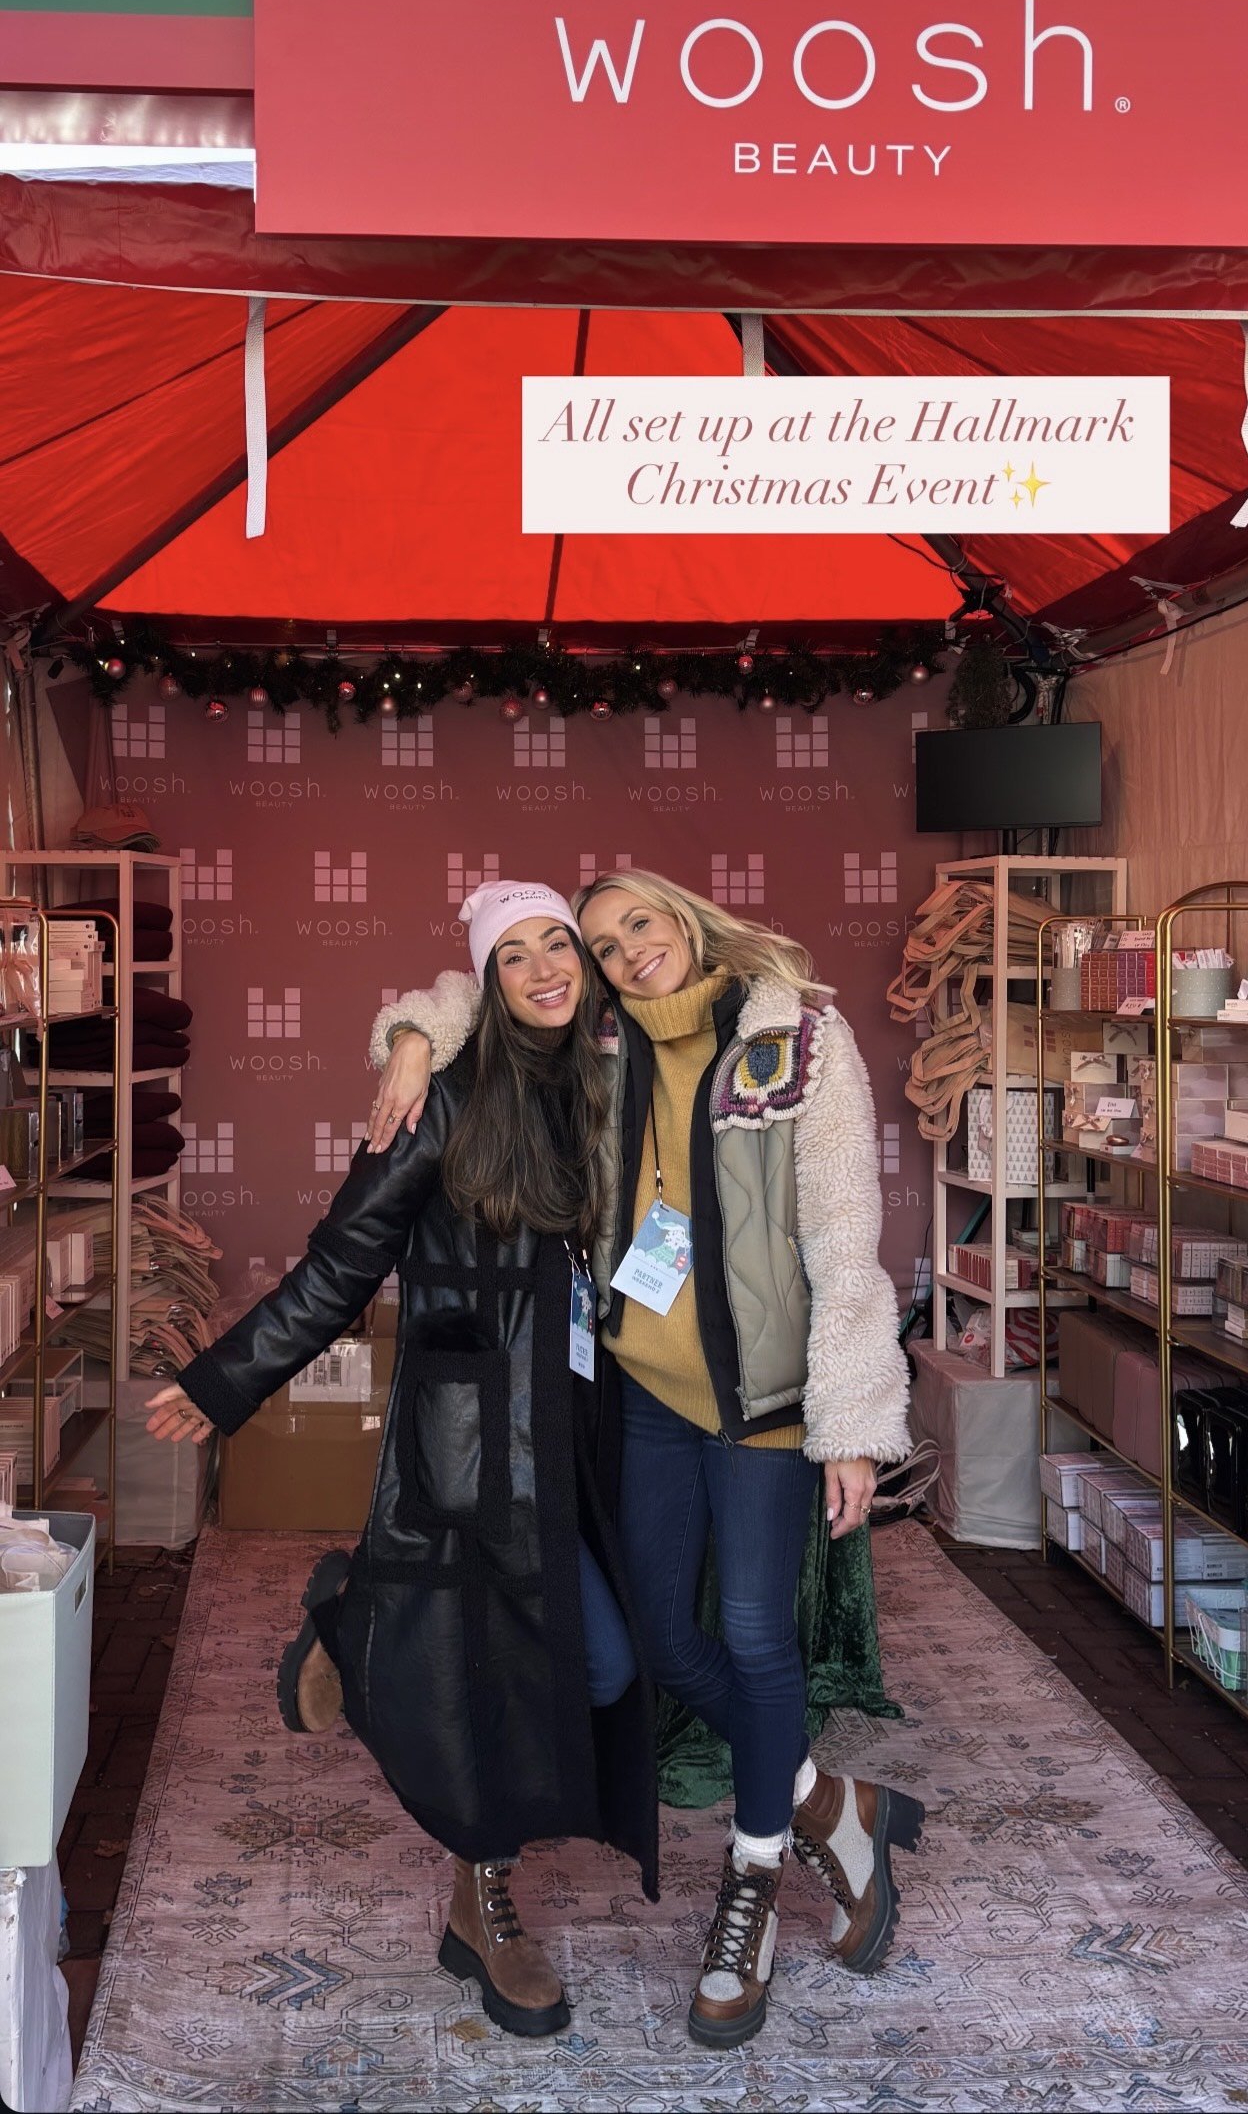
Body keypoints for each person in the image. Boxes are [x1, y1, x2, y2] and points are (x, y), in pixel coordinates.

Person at [365, 867, 923, 2050]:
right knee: (666, 1642)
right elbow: (496, 990)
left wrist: (855, 1422)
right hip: (649, 1400)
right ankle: (830, 1799)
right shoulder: (609, 1059)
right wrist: (412, 1034)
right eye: (603, 942)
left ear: (685, 919)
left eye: (637, 927)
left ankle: (757, 1880)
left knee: (761, 1638)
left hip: (765, 1408)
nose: (621, 953)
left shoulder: (796, 1045)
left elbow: (844, 1237)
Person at [144, 880, 656, 2042]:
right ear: (486, 980)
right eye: (512, 952)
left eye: (556, 944)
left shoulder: (611, 1081)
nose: (541, 967)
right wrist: (224, 1381)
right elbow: (338, 1266)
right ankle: (483, 1902)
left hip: (576, 1431)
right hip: (468, 1439)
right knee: (480, 1673)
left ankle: (347, 1616)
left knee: (608, 1664)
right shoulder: (438, 1104)